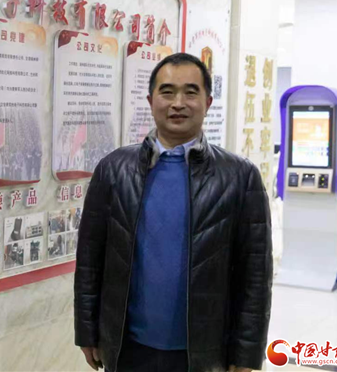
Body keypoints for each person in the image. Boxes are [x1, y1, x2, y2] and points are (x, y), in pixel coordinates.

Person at [74, 54, 272, 372]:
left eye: (190, 92)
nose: (178, 103)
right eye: (167, 92)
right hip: (127, 348)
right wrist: (87, 331)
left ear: (207, 102)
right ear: (151, 100)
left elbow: (255, 275)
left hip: (204, 353)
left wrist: (247, 353)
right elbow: (90, 259)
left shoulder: (239, 176)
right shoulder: (114, 169)